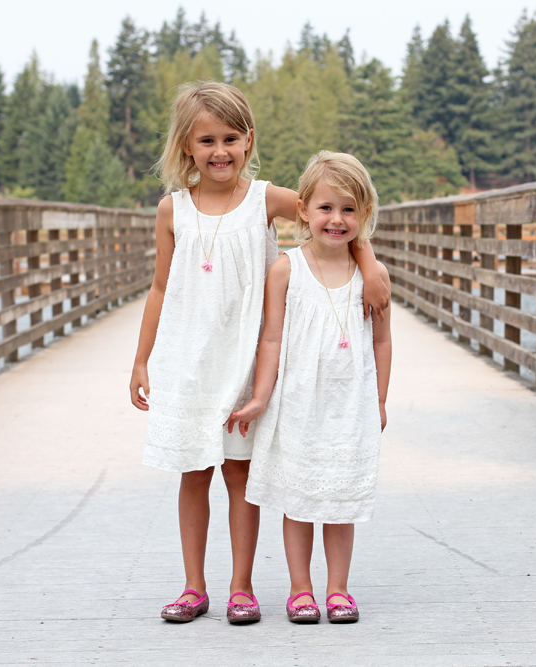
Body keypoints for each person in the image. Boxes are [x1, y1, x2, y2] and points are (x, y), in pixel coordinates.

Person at [130, 83, 390, 624]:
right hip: (189, 361)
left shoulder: (266, 199)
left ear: (249, 141)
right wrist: (141, 359)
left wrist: (368, 267)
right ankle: (193, 586)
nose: (219, 150)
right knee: (193, 473)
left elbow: (336, 215)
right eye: (206, 140)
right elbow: (158, 288)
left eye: (230, 138)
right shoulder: (170, 210)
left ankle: (241, 587)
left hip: (248, 362)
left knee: (237, 474)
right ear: (186, 146)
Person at [227, 151, 393, 624]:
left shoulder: (372, 278)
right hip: (297, 403)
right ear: (304, 211)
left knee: (340, 500)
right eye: (325, 207)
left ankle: (338, 588)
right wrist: (260, 396)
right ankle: (300, 589)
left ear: (363, 216)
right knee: (297, 498)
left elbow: (381, 340)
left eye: (348, 209)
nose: (336, 220)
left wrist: (379, 399)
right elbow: (272, 338)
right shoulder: (286, 269)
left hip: (349, 405)